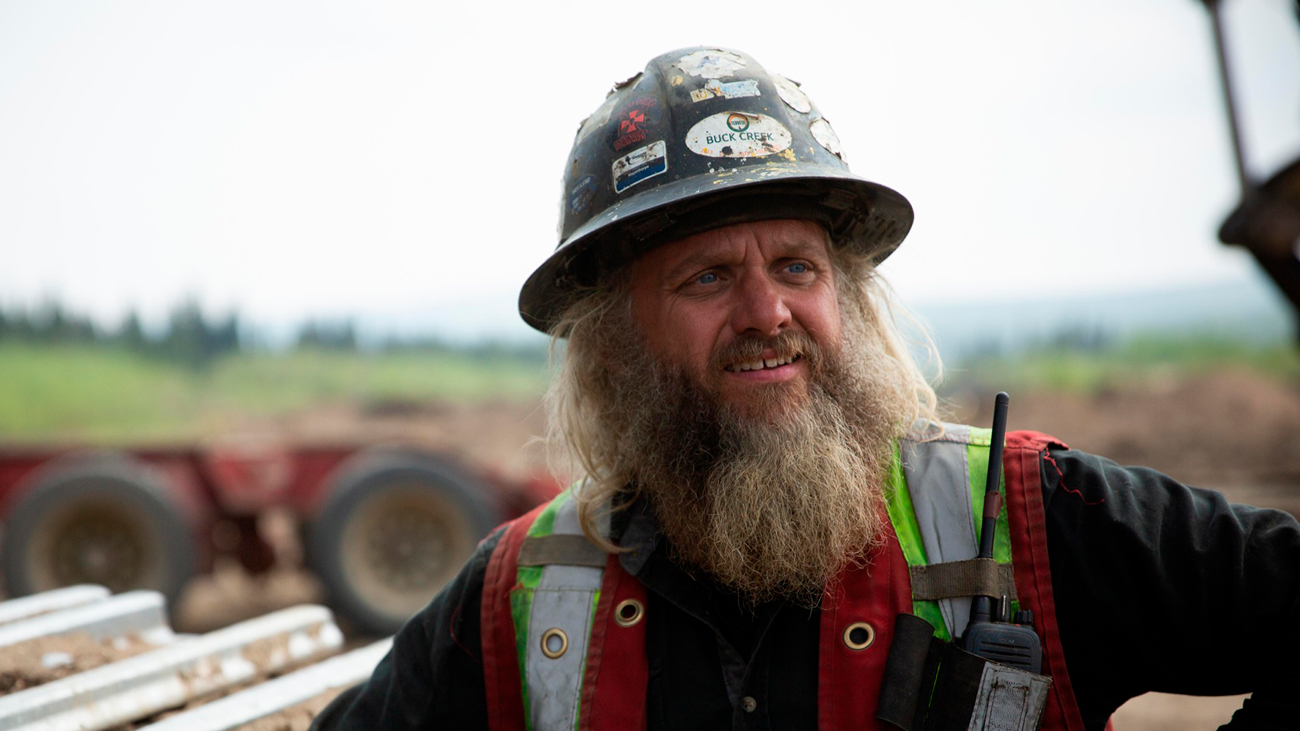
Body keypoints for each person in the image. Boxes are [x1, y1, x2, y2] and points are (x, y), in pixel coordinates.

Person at [310, 47, 1299, 731]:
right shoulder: (523, 595)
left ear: (848, 299)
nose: (766, 311)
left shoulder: (1032, 518)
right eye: (707, 277)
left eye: (796, 266)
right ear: (612, 344)